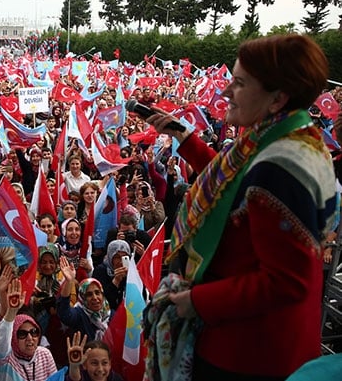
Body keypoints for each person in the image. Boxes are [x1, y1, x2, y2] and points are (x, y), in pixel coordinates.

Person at [145, 35, 338, 380]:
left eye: (240, 83)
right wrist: (183, 137)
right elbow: (232, 180)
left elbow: (286, 282)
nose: (225, 92)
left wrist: (199, 301)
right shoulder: (288, 136)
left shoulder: (280, 168)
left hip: (250, 354)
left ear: (277, 98)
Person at [0, 279, 57, 381]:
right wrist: (11, 311)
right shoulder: (6, 359)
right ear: (13, 338)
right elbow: (2, 340)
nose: (30, 338)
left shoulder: (44, 354)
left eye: (34, 332)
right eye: (22, 334)